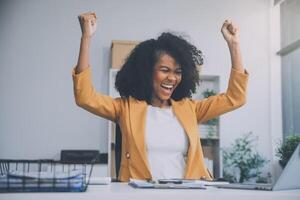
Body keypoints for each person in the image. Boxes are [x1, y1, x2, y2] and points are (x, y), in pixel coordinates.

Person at [73, 12, 248, 182]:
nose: (172, 78)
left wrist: (234, 44)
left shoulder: (190, 109)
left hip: (187, 194)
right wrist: (86, 38)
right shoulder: (125, 108)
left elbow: (235, 97)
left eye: (178, 72)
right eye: (164, 70)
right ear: (147, 72)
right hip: (140, 194)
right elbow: (85, 97)